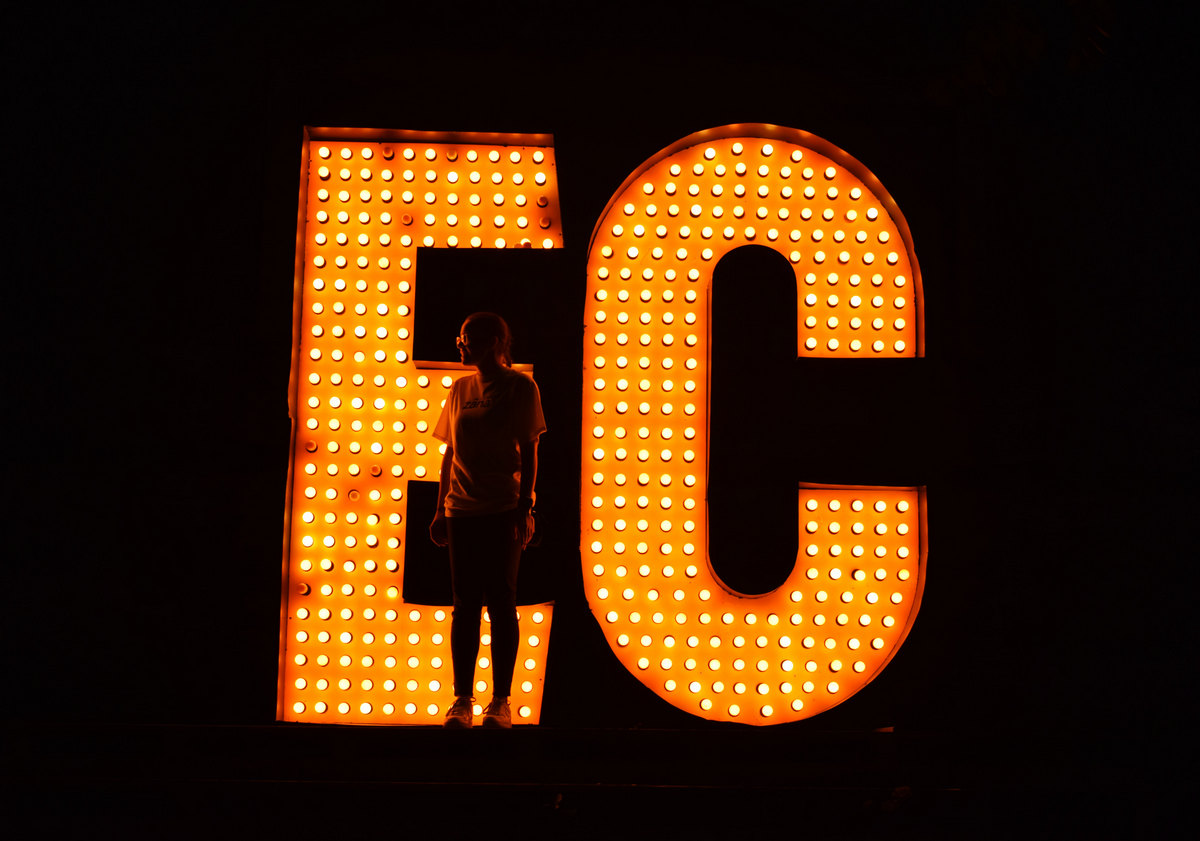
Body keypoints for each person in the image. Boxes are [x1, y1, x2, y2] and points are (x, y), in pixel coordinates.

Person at [429, 312, 545, 729]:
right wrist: (440, 508)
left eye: (468, 338)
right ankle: (462, 700)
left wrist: (524, 507)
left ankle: (501, 701)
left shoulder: (520, 387)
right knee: (464, 607)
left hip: (502, 508)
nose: (460, 345)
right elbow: (450, 452)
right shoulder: (460, 388)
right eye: (460, 338)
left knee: (501, 602)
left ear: (495, 341)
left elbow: (530, 450)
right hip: (461, 510)